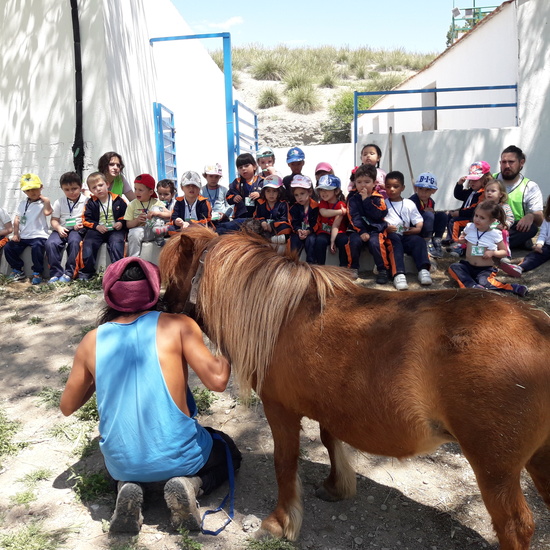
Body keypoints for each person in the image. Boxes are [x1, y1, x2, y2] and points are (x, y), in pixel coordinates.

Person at [60, 257, 241, 534]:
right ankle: (192, 485)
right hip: (183, 458)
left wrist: (97, 376)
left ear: (110, 293)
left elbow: (67, 406)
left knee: (123, 462)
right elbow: (217, 381)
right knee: (227, 448)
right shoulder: (178, 325)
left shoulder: (91, 341)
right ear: (155, 290)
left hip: (122, 464)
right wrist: (227, 340)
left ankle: (128, 487)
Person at [447, 201, 528, 297]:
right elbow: (463, 236)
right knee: (454, 267)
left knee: (485, 282)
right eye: (476, 215)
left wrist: (493, 253)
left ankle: (514, 288)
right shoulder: (470, 227)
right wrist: (461, 239)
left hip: (485, 269)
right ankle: (472, 286)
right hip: (468, 265)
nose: (477, 219)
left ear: (492, 221)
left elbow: (504, 252)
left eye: (482, 218)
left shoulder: (494, 234)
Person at [382, 170, 432, 291]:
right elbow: (378, 221)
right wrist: (386, 228)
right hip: (391, 235)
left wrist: (417, 229)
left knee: (418, 241)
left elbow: (417, 219)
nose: (392, 190)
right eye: (388, 187)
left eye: (396, 186)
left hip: (406, 234)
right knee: (394, 243)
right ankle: (398, 274)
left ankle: (423, 270)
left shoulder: (409, 203)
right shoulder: (382, 203)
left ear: (403, 188)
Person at [78, 172, 127, 280]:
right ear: (90, 190)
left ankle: (118, 272)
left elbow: (126, 215)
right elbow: (85, 219)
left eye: (100, 185)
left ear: (107, 184)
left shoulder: (118, 200)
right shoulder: (90, 203)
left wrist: (121, 222)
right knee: (89, 243)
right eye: (94, 187)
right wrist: (96, 226)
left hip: (115, 229)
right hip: (97, 229)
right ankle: (86, 273)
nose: (98, 189)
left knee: (116, 243)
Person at [493, 145, 544, 250]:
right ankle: (503, 244)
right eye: (503, 162)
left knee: (532, 228)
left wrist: (531, 216)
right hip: (489, 225)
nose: (507, 165)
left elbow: (540, 218)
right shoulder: (490, 180)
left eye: (511, 162)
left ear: (521, 163)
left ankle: (491, 244)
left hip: (512, 227)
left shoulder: (530, 187)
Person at [5, 173, 52, 284]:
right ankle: (17, 269)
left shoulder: (43, 203)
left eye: (35, 188)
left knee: (37, 248)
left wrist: (47, 201)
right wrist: (16, 234)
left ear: (41, 187)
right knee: (8, 247)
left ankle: (37, 272)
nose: (32, 192)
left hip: (39, 235)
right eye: (28, 190)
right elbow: (17, 219)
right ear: (24, 192)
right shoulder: (22, 203)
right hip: (24, 236)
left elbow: (47, 212)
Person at [347, 164, 388, 282]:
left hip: (375, 228)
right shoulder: (352, 197)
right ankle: (353, 268)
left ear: (374, 183)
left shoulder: (378, 198)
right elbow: (353, 216)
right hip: (358, 229)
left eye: (367, 182)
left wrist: (366, 200)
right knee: (353, 241)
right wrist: (362, 231)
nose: (362, 185)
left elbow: (379, 215)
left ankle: (382, 269)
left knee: (376, 243)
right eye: (359, 182)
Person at [45, 172, 88, 283]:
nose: (71, 192)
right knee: (50, 243)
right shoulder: (59, 202)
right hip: (62, 228)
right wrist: (59, 228)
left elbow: (89, 219)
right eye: (67, 189)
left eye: (74, 188)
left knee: (74, 242)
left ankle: (69, 272)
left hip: (77, 230)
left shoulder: (86, 201)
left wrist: (82, 225)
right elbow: (54, 220)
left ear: (80, 187)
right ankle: (55, 273)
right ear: (62, 189)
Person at [500, 194, 550, 278]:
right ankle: (520, 268)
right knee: (534, 256)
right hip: (547, 246)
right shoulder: (547, 219)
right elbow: (543, 234)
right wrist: (539, 244)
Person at [217, 154, 263, 234]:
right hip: (239, 217)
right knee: (221, 229)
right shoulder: (236, 182)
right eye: (240, 167)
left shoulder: (261, 181)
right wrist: (234, 197)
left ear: (255, 166)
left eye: (246, 165)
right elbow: (228, 196)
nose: (243, 169)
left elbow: (270, 195)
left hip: (257, 218)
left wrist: (260, 194)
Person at [124, 174, 170, 255]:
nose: (137, 192)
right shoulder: (132, 204)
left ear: (150, 192)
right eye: (135, 189)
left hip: (154, 231)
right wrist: (137, 221)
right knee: (133, 233)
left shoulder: (156, 202)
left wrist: (157, 213)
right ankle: (134, 259)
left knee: (156, 208)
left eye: (140, 190)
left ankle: (160, 234)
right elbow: (128, 224)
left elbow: (170, 215)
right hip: (141, 232)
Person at [447, 161, 490, 245]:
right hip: (465, 215)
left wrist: (459, 213)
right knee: (449, 215)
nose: (471, 182)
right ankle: (449, 237)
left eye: (475, 180)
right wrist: (459, 184)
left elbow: (474, 209)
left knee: (454, 221)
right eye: (470, 179)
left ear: (485, 179)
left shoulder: (482, 193)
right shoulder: (471, 191)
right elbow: (458, 195)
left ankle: (455, 241)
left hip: (472, 218)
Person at [408, 172, 447, 259]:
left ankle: (437, 240)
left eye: (428, 190)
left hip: (427, 228)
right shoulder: (412, 201)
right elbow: (410, 219)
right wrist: (424, 213)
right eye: (421, 189)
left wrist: (432, 213)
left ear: (434, 191)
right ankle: (427, 242)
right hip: (416, 230)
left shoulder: (431, 202)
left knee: (442, 215)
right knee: (429, 215)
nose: (423, 192)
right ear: (416, 188)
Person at [313, 175, 349, 267]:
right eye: (321, 189)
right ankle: (320, 267)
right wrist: (340, 212)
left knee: (343, 240)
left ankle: (343, 267)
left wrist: (332, 241)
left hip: (337, 232)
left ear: (336, 191)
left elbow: (336, 225)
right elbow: (324, 213)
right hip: (324, 231)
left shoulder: (341, 204)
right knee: (320, 240)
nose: (323, 192)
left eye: (327, 189)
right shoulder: (323, 203)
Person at [253, 175, 291, 252]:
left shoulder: (283, 204)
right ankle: (266, 238)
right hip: (263, 228)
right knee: (252, 224)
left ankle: (270, 238)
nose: (271, 194)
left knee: (286, 227)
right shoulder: (261, 203)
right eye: (268, 191)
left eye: (274, 191)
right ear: (264, 192)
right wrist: (262, 222)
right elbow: (256, 216)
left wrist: (272, 226)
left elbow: (285, 219)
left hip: (277, 229)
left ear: (279, 192)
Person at [289, 175, 318, 264]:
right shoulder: (294, 208)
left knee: (311, 240)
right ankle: (292, 264)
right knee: (294, 240)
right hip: (298, 232)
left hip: (311, 232)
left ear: (309, 192)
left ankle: (311, 264)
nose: (299, 197)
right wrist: (298, 230)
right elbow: (293, 222)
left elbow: (317, 222)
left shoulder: (315, 206)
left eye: (302, 193)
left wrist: (309, 231)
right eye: (296, 195)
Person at [483, 178, 514, 259]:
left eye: (493, 191)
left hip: (498, 229)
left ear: (501, 194)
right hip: (485, 228)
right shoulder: (483, 206)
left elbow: (510, 218)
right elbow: (478, 216)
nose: (489, 193)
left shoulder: (505, 206)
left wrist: (505, 225)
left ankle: (505, 254)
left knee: (504, 233)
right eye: (487, 191)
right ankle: (462, 248)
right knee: (471, 231)